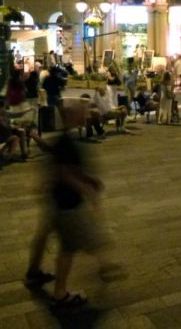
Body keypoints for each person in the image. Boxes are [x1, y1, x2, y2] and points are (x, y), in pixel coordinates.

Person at [24, 104, 124, 309]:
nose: (84, 115)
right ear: (70, 117)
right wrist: (85, 186)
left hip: (56, 200)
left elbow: (62, 165)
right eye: (80, 112)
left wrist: (88, 180)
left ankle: (33, 272)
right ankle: (60, 294)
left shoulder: (65, 140)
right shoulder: (67, 142)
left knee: (44, 235)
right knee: (68, 248)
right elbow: (64, 172)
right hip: (66, 203)